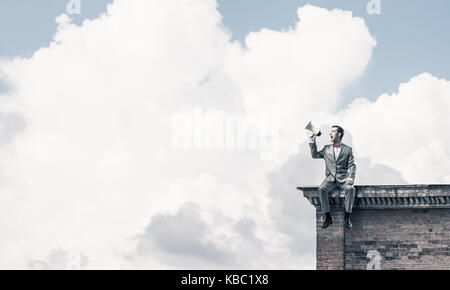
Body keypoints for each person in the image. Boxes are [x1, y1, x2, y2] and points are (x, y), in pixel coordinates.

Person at [309, 125, 356, 229]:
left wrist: (351, 177)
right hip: (330, 179)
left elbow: (352, 165)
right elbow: (315, 155)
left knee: (351, 189)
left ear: (339, 134)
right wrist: (312, 141)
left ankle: (347, 217)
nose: (330, 133)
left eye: (333, 131)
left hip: (343, 179)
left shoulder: (348, 150)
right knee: (321, 189)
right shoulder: (326, 149)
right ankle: (328, 217)